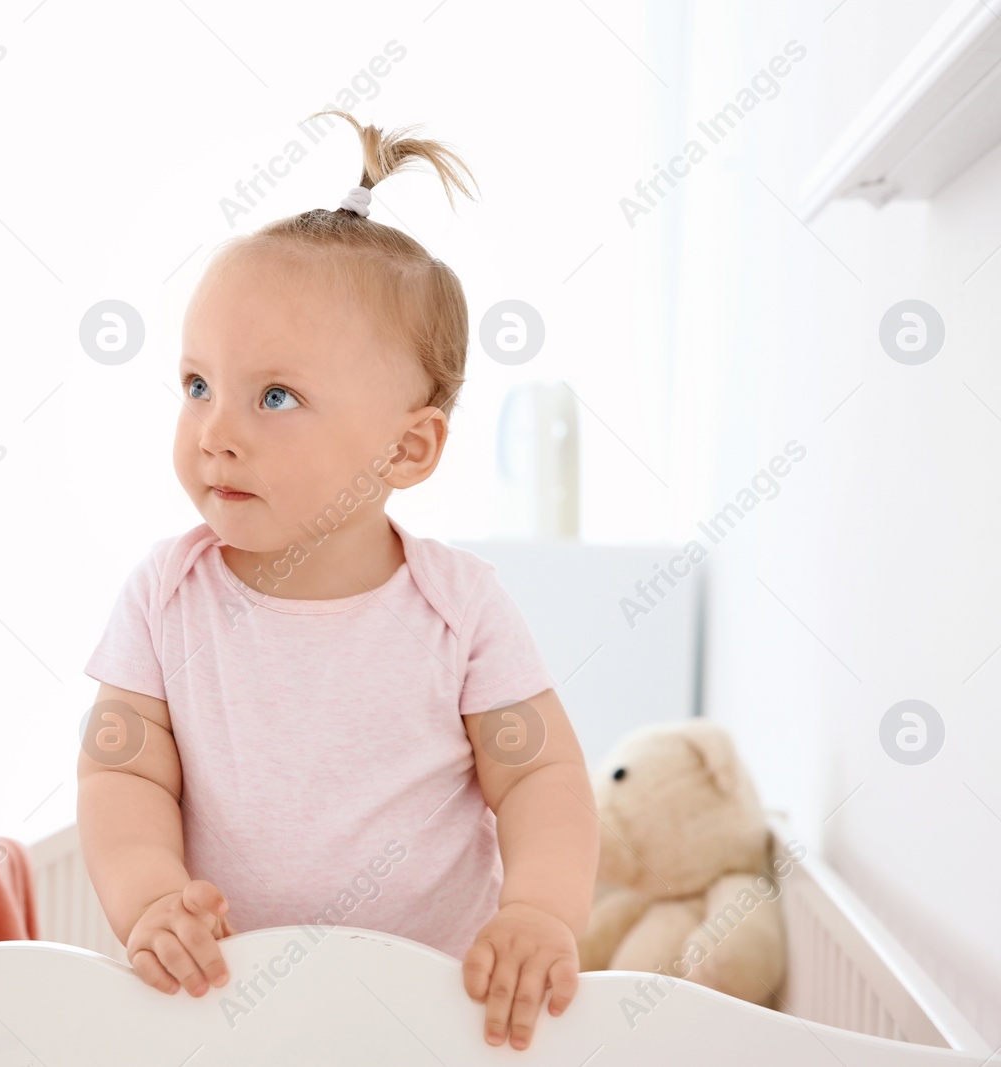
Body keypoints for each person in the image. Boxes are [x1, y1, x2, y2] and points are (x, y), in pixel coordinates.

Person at [77, 109, 599, 1052]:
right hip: (226, 1004)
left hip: (435, 1015)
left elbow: (541, 776)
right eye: (197, 385)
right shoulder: (167, 594)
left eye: (275, 396)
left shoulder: (460, 610)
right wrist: (151, 896)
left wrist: (540, 912)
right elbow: (122, 767)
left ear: (407, 446)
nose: (214, 430)